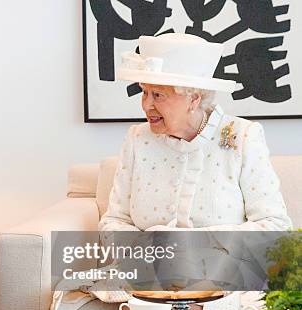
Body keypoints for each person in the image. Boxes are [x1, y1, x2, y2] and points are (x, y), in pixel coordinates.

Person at [99, 33, 292, 232]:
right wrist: (150, 248)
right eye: (144, 92)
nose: (146, 105)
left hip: (223, 263)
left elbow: (275, 225)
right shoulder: (138, 138)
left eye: (158, 95)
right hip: (148, 262)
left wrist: (195, 245)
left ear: (194, 99)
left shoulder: (243, 136)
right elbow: (113, 222)